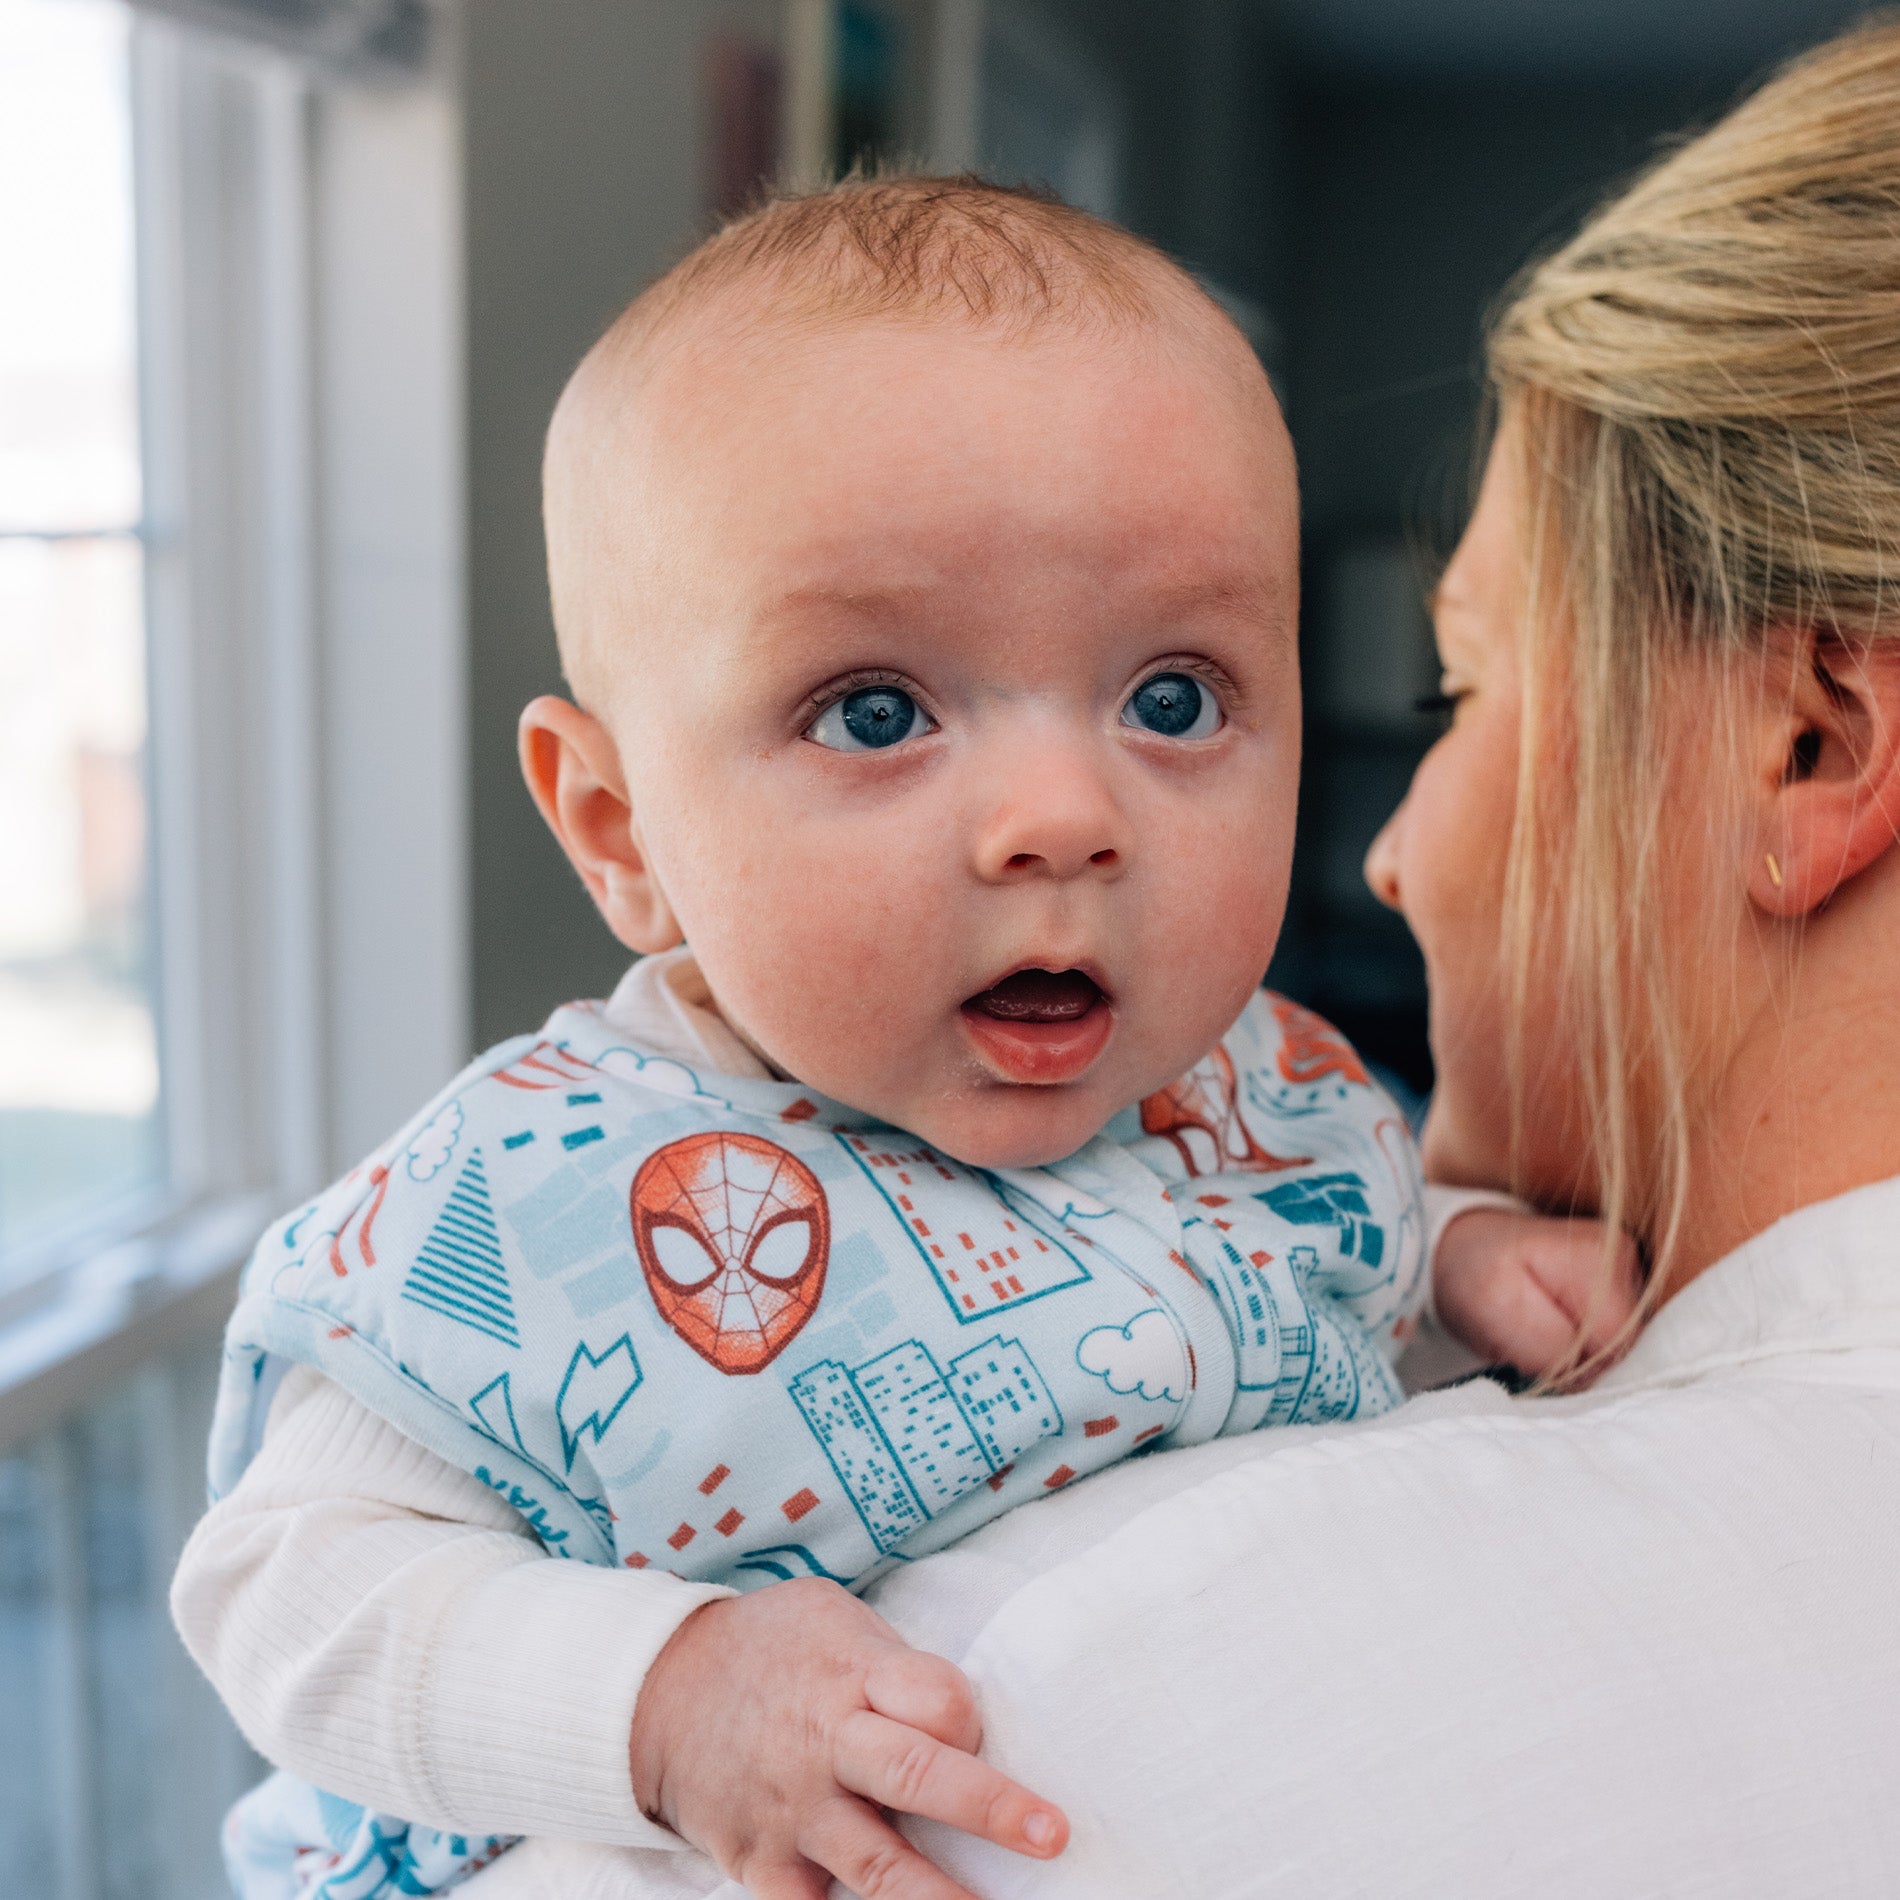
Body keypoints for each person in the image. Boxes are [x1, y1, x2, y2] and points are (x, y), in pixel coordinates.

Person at [168, 178, 1627, 1900]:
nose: (1064, 817)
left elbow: (1311, 1297)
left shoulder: (1265, 1097)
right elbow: (288, 1594)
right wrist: (659, 1700)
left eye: (1175, 698)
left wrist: (1456, 1266)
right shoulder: (530, 1205)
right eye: (876, 712)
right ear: (621, 829)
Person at [617, 22, 1898, 1900]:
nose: (1390, 855)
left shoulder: (1024, 1702)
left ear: (1809, 748)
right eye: (880, 709)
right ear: (615, 825)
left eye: (1461, 689)